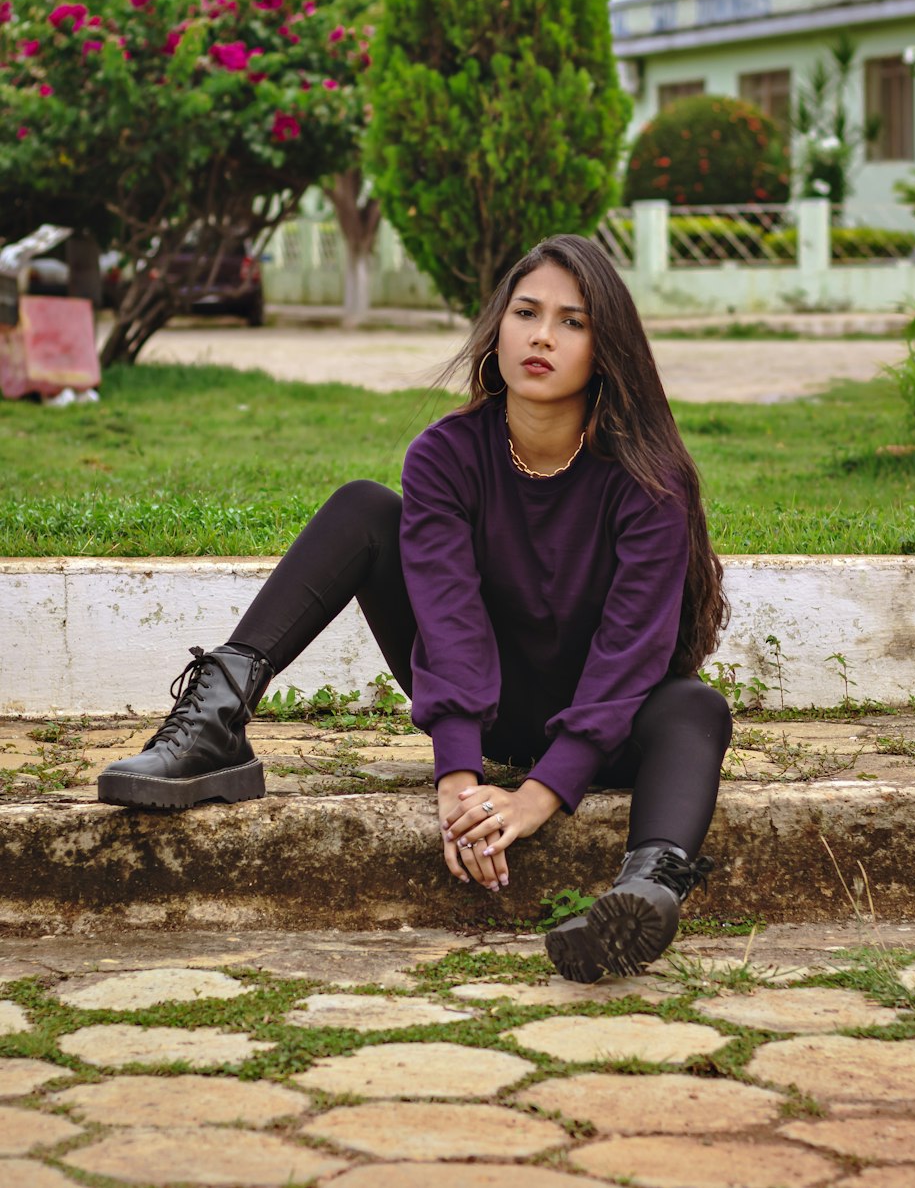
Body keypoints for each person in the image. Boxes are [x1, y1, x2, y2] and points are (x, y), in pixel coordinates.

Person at [97, 234, 733, 983]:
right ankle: (218, 717)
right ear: (496, 326)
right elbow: (449, 616)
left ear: (607, 347)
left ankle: (646, 891)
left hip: (612, 723)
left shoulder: (647, 480)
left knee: (695, 708)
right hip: (492, 702)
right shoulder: (446, 455)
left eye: (573, 321)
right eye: (525, 312)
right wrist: (458, 775)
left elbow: (631, 653)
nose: (541, 336)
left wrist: (539, 795)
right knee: (365, 509)